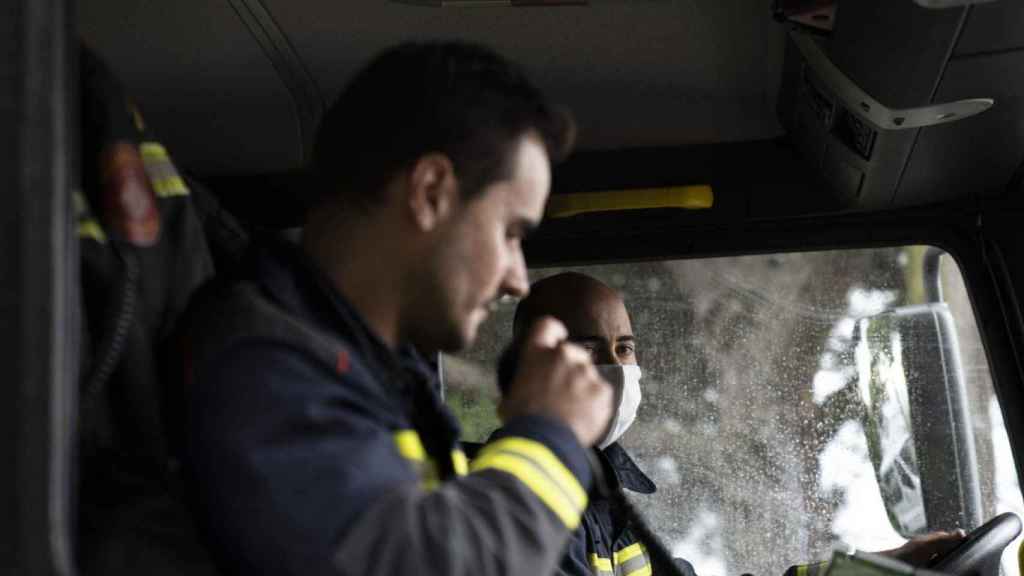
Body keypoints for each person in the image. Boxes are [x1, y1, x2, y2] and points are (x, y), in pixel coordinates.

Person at [181, 42, 614, 576]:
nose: (518, 280)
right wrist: (553, 435)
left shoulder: (371, 379)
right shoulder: (262, 367)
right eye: (510, 233)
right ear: (430, 191)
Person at [501, 272, 967, 576]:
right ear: (528, 366)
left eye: (624, 348)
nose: (615, 368)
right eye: (587, 349)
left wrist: (876, 570)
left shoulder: (602, 494)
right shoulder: (513, 497)